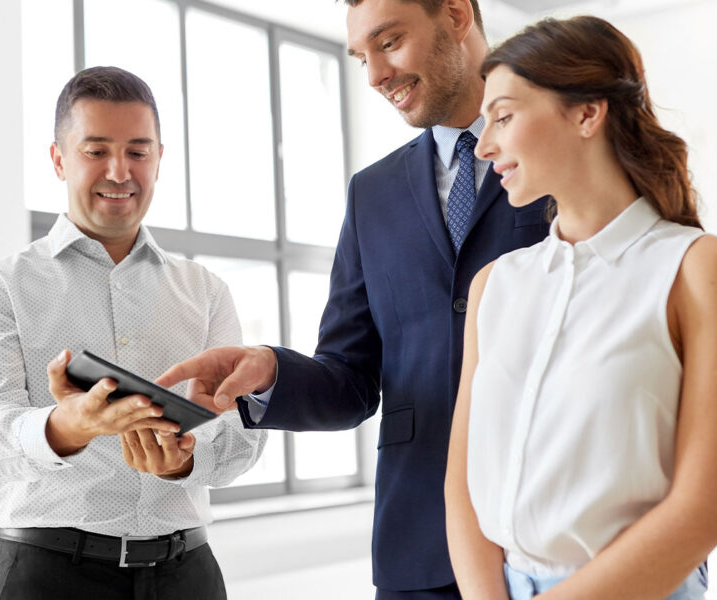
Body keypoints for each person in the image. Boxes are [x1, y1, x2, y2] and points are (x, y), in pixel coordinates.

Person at [127, 1, 548, 597]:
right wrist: (267, 371)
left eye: (390, 42)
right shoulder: (373, 193)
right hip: (420, 546)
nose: (376, 74)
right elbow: (350, 378)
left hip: (552, 524)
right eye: (361, 57)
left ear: (455, 14)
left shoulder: (557, 147)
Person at [443, 16, 717, 600]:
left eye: (503, 116)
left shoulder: (699, 267)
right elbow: (462, 481)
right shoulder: (494, 285)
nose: (483, 146)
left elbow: (705, 512)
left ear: (587, 112)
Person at [0, 66, 266, 600]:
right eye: (96, 151)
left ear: (159, 159)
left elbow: (242, 439)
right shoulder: (0, 288)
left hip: (186, 574)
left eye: (138, 152)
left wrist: (186, 460)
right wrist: (67, 426)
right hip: (48, 575)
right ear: (59, 159)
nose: (120, 172)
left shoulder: (207, 291)